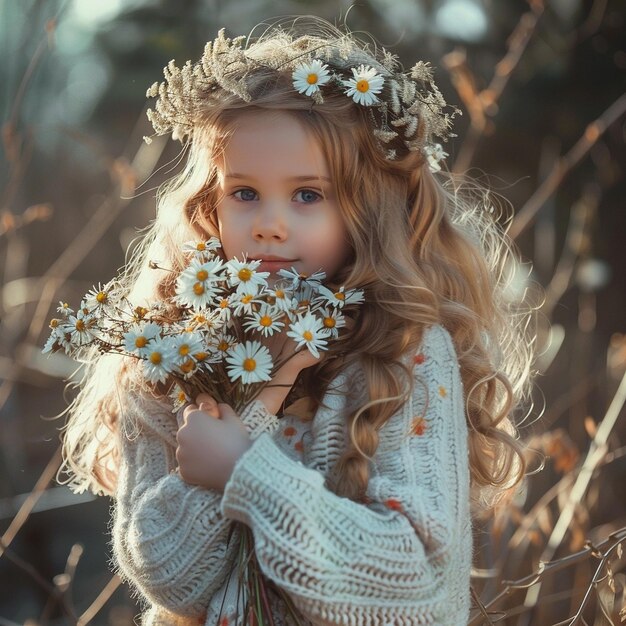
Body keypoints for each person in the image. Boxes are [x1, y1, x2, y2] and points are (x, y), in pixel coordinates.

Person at [59, 16, 536, 626]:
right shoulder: (170, 355)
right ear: (209, 200)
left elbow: (417, 591)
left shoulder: (404, 356)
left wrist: (244, 473)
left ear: (367, 208)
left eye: (308, 194)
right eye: (245, 193)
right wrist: (264, 393)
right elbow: (170, 578)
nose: (269, 224)